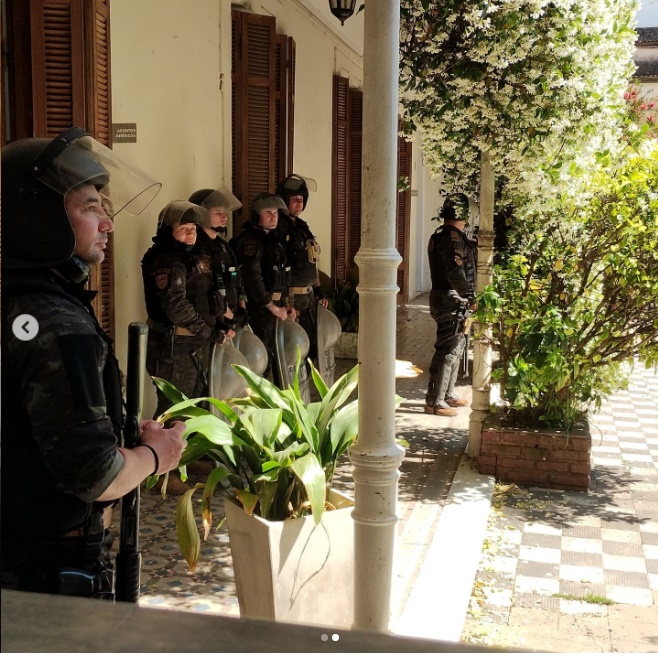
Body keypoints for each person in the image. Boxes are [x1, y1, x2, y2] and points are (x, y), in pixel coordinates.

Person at [1, 127, 186, 597]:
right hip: (44, 573)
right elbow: (96, 475)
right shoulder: (57, 323)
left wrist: (122, 431)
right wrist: (155, 455)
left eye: (104, 206)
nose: (108, 223)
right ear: (38, 219)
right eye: (89, 207)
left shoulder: (20, 303)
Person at [142, 200, 233, 426]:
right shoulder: (166, 260)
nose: (191, 234)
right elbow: (176, 306)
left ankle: (191, 458)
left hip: (194, 343)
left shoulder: (193, 257)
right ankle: (166, 460)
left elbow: (207, 296)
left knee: (195, 404)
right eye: (184, 229)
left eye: (193, 229)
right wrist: (207, 332)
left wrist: (219, 324)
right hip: (174, 345)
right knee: (174, 408)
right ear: (168, 232)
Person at [230, 192, 292, 386]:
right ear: (257, 215)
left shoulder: (274, 240)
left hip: (276, 308)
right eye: (268, 213)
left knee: (276, 357)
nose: (274, 217)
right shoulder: (250, 242)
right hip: (259, 310)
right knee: (260, 359)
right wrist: (271, 306)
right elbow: (252, 279)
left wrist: (286, 304)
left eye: (276, 213)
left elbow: (282, 275)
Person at [424, 193, 477, 417]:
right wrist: (470, 296)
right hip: (451, 299)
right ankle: (435, 401)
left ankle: (446, 394)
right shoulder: (451, 239)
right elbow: (455, 272)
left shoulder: (441, 235)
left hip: (447, 298)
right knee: (448, 350)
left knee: (456, 348)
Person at [276, 174, 328, 363]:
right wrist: (283, 301)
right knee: (293, 351)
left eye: (301, 200)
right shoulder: (279, 228)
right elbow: (278, 268)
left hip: (307, 297)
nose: (299, 204)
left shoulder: (302, 227)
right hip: (291, 299)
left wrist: (318, 289)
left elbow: (312, 261)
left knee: (310, 347)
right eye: (294, 200)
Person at [188, 186, 249, 330]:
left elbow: (237, 278)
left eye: (224, 212)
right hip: (211, 323)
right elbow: (205, 291)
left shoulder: (223, 246)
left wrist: (242, 307)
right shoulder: (196, 248)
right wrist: (231, 316)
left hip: (230, 318)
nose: (224, 217)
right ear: (201, 215)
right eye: (218, 213)